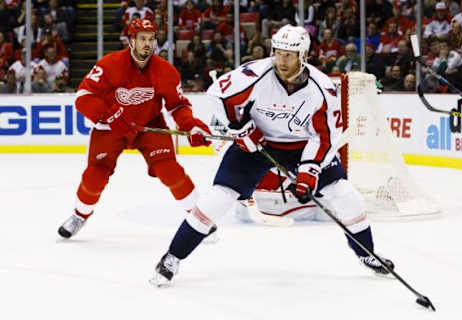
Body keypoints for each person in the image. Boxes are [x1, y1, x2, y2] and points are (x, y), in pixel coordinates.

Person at [150, 24, 395, 286]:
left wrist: (308, 171)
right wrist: (241, 128)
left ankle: (367, 253)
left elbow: (324, 137)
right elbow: (218, 96)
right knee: (216, 199)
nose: (281, 60)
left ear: (304, 56)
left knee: (346, 196)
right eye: (277, 53)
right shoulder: (254, 74)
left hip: (302, 147)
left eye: (289, 55)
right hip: (256, 146)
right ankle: (172, 257)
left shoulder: (323, 90)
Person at [57, 19, 213, 239]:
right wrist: (110, 115)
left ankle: (200, 220)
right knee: (95, 175)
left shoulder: (165, 71)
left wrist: (191, 125)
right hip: (111, 127)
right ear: (131, 40)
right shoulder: (109, 64)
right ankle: (80, 215)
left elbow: (177, 105)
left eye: (151, 39)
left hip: (150, 126)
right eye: (142, 39)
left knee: (170, 171)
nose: (147, 44)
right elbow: (83, 97)